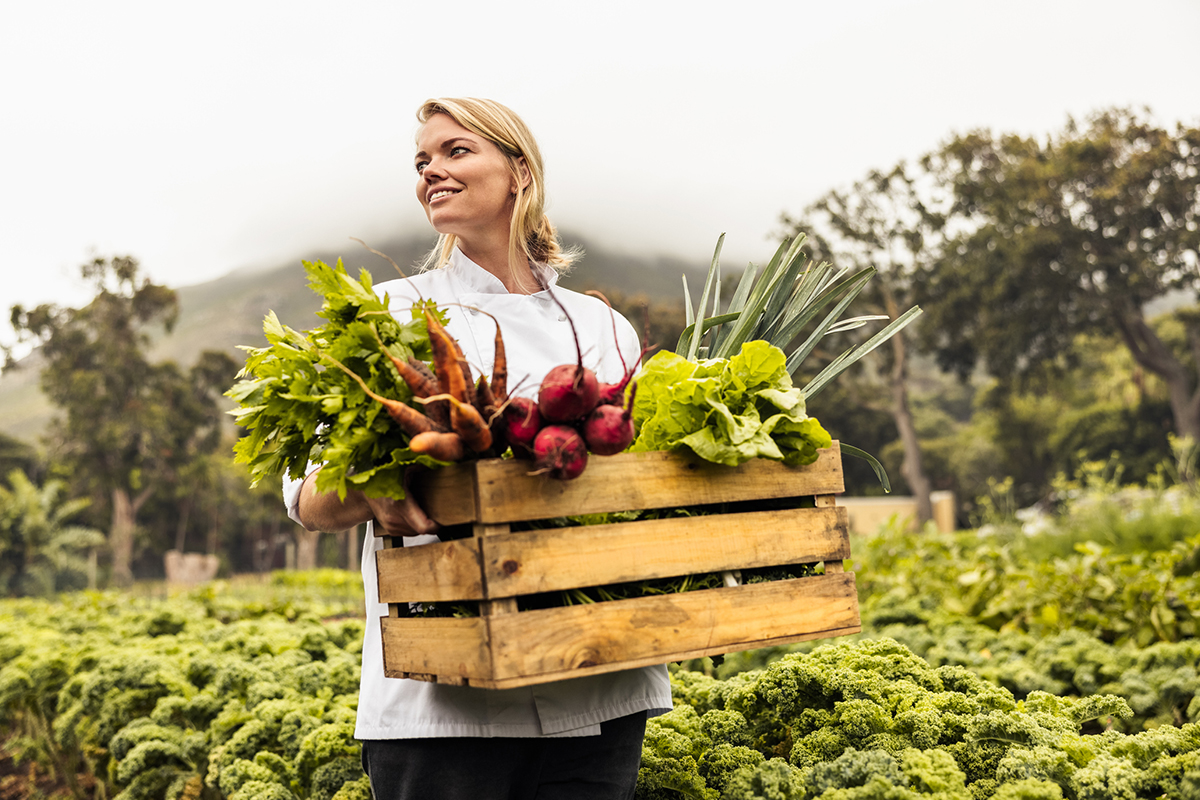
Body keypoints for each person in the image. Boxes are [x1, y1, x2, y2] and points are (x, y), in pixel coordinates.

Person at [283, 97, 671, 799]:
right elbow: (307, 496)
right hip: (443, 707)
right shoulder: (390, 312)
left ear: (519, 172)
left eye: (456, 151)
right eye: (422, 160)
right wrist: (374, 490)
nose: (432, 169)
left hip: (603, 684)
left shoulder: (601, 324)